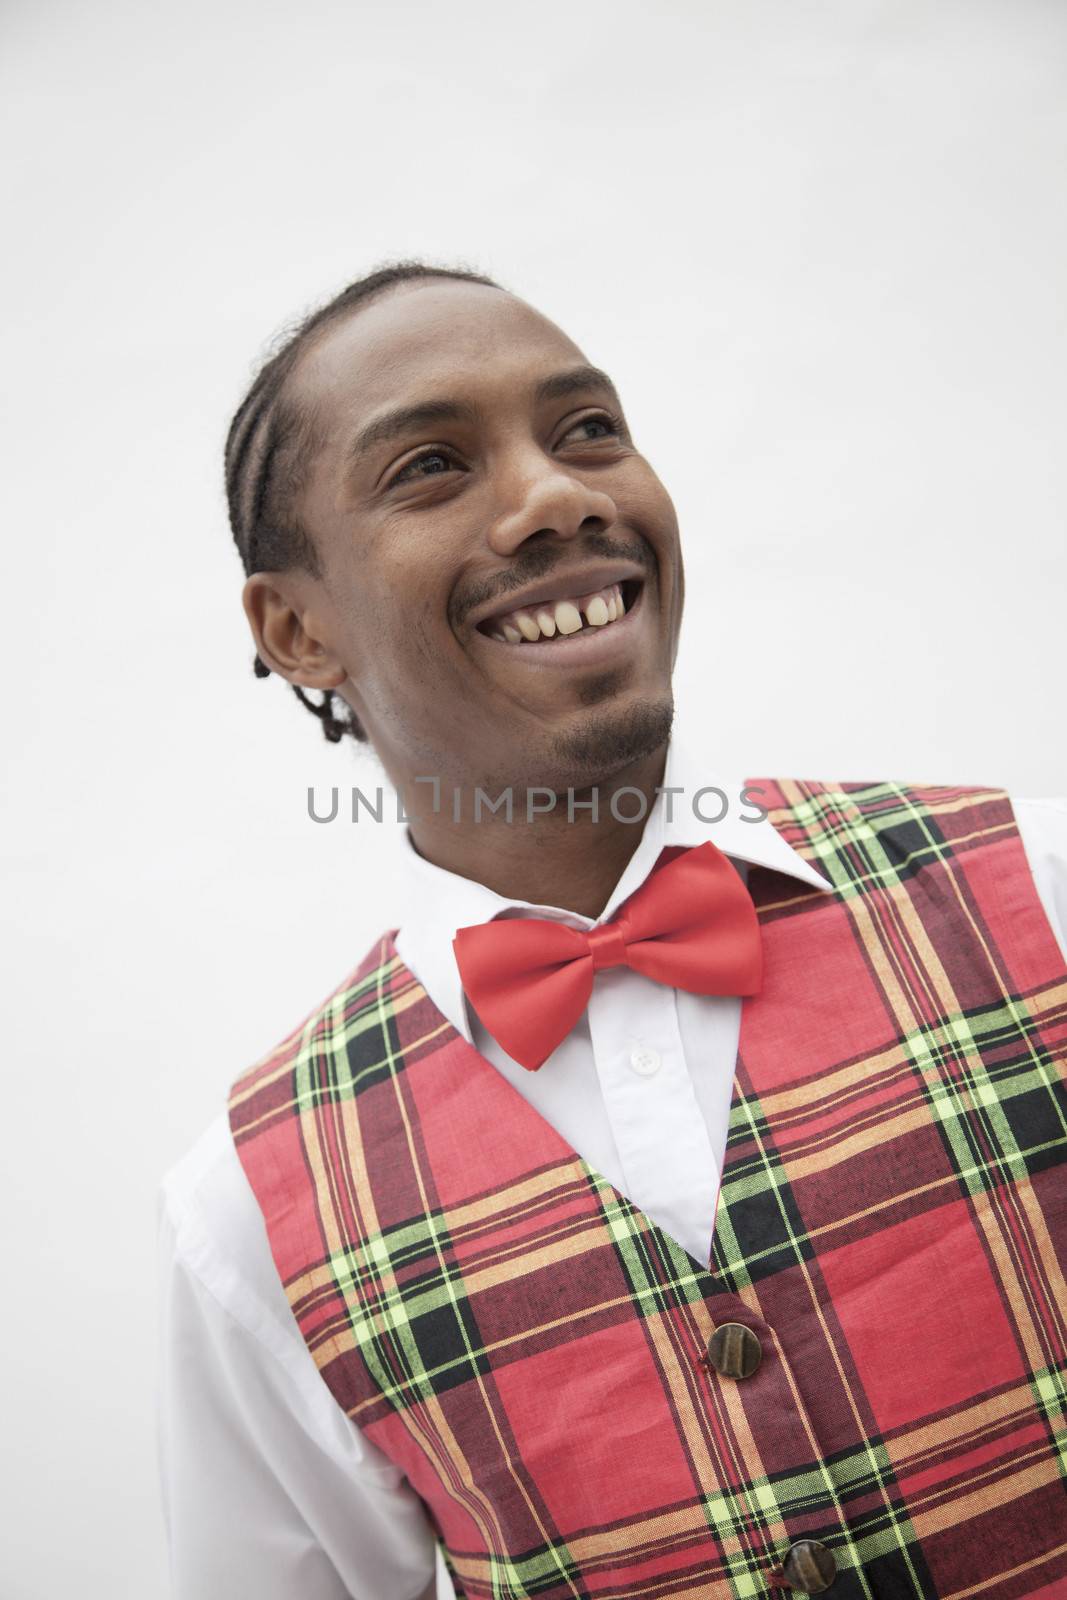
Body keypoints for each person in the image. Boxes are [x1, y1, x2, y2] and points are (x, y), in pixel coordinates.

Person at [157, 262, 1067, 1600]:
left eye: (588, 430)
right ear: (297, 628)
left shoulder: (1042, 887)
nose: (561, 494)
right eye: (430, 466)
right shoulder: (245, 1216)